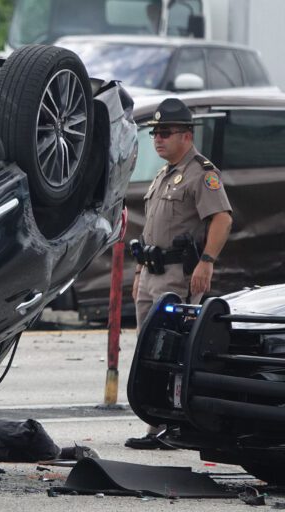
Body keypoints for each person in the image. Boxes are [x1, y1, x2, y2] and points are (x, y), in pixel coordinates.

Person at [125, 98, 233, 450]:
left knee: (175, 350)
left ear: (187, 135)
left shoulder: (202, 173)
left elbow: (222, 218)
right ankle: (155, 423)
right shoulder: (164, 174)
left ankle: (175, 422)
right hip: (153, 272)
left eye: (166, 133)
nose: (158, 139)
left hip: (177, 276)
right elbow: (152, 230)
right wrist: (140, 270)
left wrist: (207, 260)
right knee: (149, 350)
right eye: (155, 133)